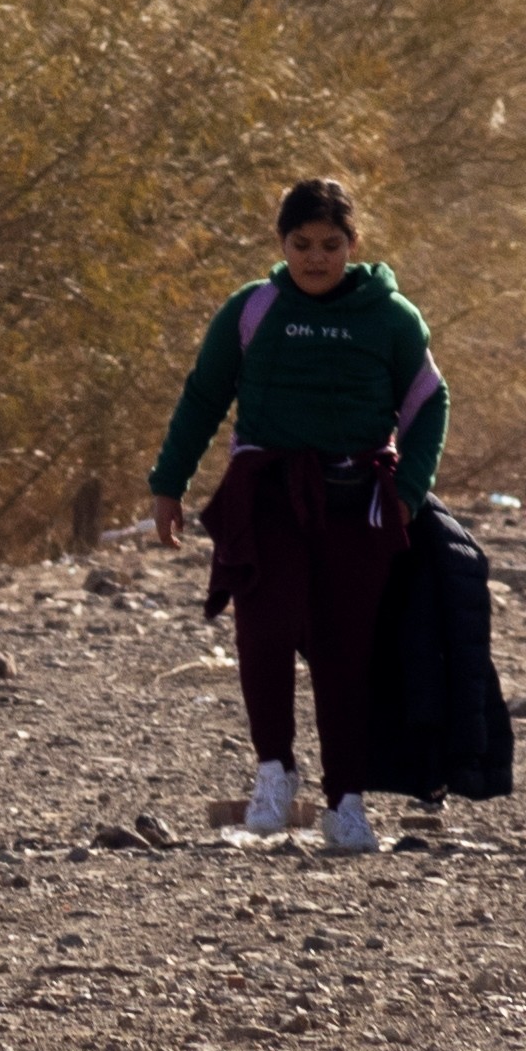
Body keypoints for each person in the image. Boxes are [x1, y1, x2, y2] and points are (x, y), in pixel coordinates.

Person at [148, 177, 452, 853]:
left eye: (330, 245)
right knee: (265, 634)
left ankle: (346, 800)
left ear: (353, 245)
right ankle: (273, 773)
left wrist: (406, 494)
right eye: (301, 244)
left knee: (345, 652)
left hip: (358, 502)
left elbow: (430, 404)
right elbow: (203, 397)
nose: (316, 258)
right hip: (266, 496)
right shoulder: (253, 309)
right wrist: (169, 484)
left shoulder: (392, 316)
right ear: (281, 244)